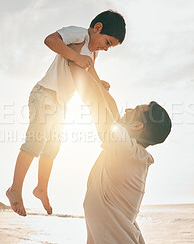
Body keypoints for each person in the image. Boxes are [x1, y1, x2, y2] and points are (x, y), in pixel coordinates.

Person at [6, 10, 126, 216]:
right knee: (36, 141)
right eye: (107, 42)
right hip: (44, 93)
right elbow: (50, 40)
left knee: (52, 148)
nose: (106, 49)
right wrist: (75, 56)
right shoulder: (80, 34)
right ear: (98, 28)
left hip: (61, 104)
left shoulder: (93, 52)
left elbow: (91, 71)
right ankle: (14, 189)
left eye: (110, 47)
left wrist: (99, 84)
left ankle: (41, 188)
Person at [68, 51, 172, 243]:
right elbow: (110, 106)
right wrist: (92, 70)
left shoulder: (124, 150)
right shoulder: (131, 152)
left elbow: (98, 105)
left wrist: (73, 63)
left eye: (135, 110)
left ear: (137, 126)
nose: (127, 109)